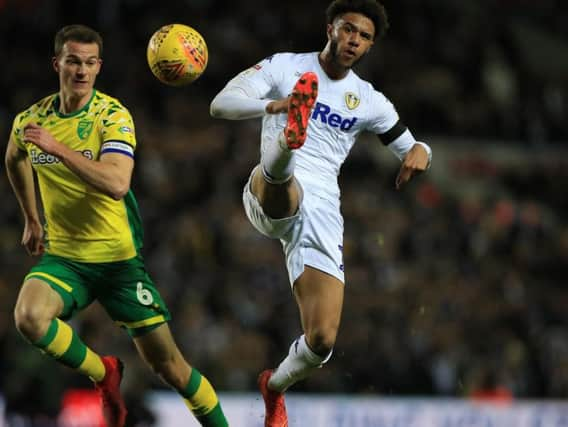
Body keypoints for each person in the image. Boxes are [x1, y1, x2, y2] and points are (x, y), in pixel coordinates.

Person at [210, 0, 432, 425]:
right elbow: (221, 105)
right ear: (330, 28)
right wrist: (272, 107)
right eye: (348, 29)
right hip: (269, 190)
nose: (354, 40)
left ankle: (274, 387)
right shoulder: (284, 67)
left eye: (364, 37)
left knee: (322, 341)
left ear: (369, 46)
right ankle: (290, 142)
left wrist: (423, 151)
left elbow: (412, 145)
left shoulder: (369, 100)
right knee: (283, 185)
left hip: (324, 210)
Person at [5, 24, 228, 427]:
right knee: (28, 318)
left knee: (173, 370)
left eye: (90, 63)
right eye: (73, 61)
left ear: (99, 67)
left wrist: (58, 148)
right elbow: (13, 158)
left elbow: (117, 182)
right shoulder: (32, 118)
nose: (82, 71)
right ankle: (102, 372)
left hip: (119, 264)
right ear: (57, 63)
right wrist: (32, 218)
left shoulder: (112, 115)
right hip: (66, 260)